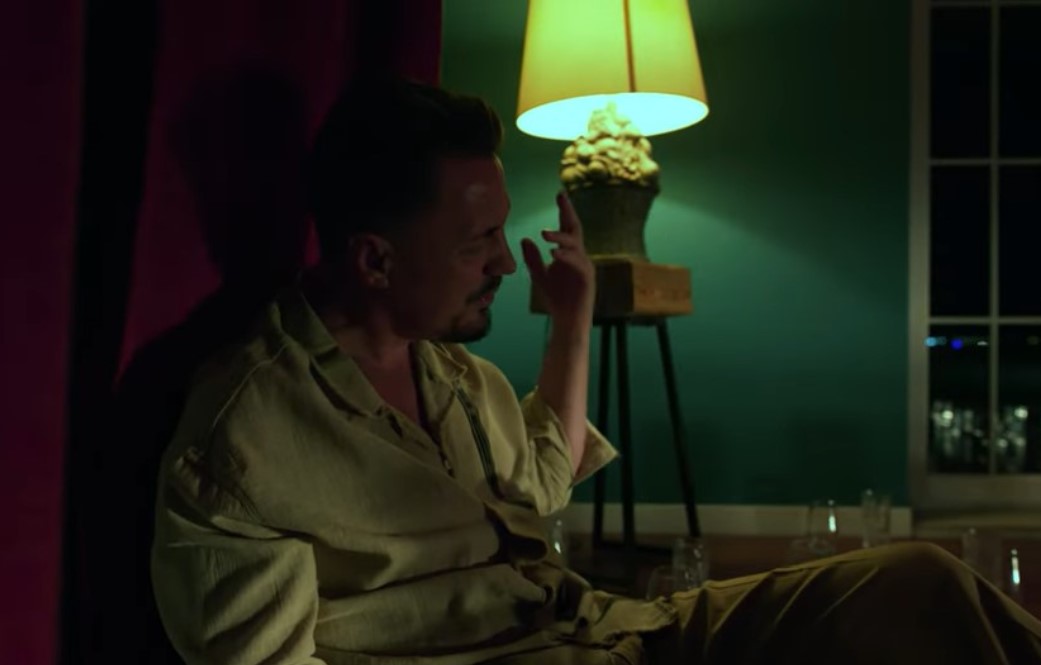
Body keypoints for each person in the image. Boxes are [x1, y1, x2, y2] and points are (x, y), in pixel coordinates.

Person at [151, 77, 1041, 665]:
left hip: (613, 631)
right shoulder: (247, 432)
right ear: (374, 259)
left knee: (915, 582)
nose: (505, 262)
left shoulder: (454, 374)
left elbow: (538, 482)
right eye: (477, 242)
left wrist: (572, 322)